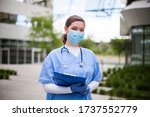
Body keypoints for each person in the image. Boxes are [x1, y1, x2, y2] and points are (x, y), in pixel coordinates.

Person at [39, 15, 102, 100]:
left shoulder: (90, 55)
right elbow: (46, 86)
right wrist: (70, 89)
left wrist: (89, 88)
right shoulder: (54, 56)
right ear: (66, 29)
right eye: (74, 28)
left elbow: (96, 79)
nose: (78, 32)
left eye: (81, 30)